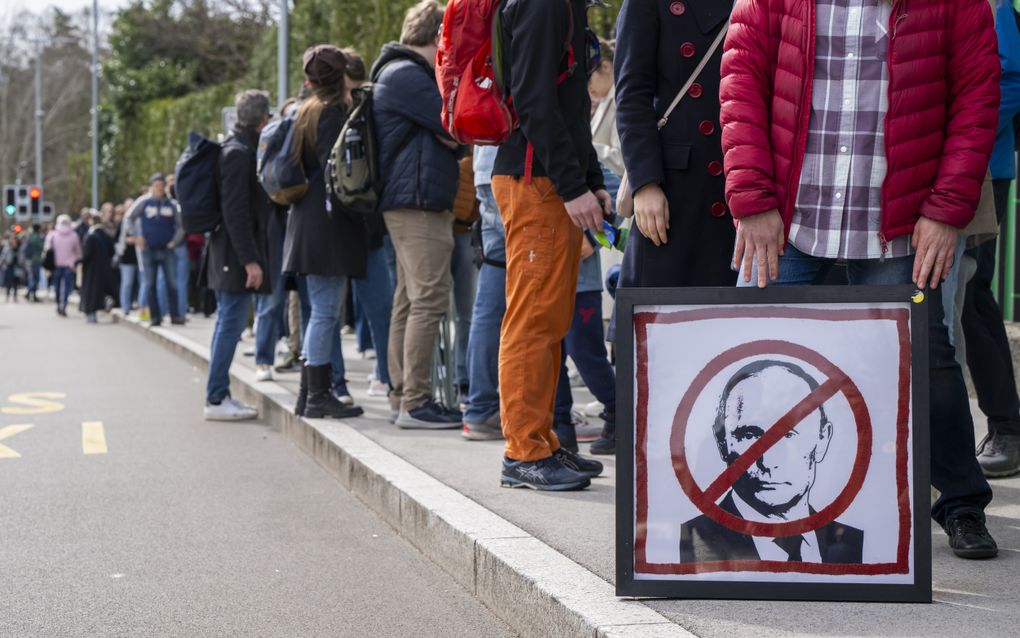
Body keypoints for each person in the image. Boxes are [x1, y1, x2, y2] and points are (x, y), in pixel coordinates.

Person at [721, 0, 999, 559]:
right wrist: (751, 199)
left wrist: (947, 211)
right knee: (759, 361)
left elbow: (976, 100)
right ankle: (734, 514)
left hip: (897, 225)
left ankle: (962, 502)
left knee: (929, 359)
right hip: (790, 221)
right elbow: (740, 84)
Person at [492, 0, 607, 490]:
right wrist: (573, 184)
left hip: (546, 179)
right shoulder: (543, 5)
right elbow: (534, 101)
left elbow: (568, 105)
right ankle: (524, 452)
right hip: (536, 181)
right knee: (533, 321)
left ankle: (542, 441)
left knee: (549, 319)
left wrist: (591, 177)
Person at [372, 1, 463, 428]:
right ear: (439, 36)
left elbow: (452, 136)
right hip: (419, 202)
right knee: (428, 300)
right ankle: (416, 401)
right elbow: (456, 126)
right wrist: (454, 135)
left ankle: (402, 394)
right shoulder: (408, 75)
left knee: (409, 301)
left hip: (412, 200)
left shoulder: (399, 73)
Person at [679, 360, 864, 564]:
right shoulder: (695, 544)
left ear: (822, 439)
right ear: (723, 442)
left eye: (789, 433)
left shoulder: (854, 547)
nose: (769, 461)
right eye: (749, 435)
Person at [614, 0, 737, 286]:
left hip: (737, 185)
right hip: (672, 191)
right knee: (662, 321)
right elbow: (632, 96)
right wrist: (645, 184)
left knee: (736, 323)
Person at [284, 44, 366, 420]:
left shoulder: (304, 111)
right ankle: (318, 395)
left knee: (321, 309)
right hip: (327, 223)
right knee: (325, 311)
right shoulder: (332, 115)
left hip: (306, 220)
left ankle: (307, 392)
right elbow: (343, 174)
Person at [970, 0, 1020, 478]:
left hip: (981, 171)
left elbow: (1010, 80)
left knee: (971, 299)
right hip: (922, 170)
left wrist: (965, 143)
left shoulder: (993, 3)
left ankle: (1008, 427)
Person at [204, 90, 275, 421]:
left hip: (228, 251)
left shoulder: (235, 148)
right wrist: (250, 259)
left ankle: (219, 394)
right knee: (230, 324)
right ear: (262, 120)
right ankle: (216, 397)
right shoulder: (238, 153)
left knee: (227, 324)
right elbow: (236, 212)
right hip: (234, 255)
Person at [344, 46, 395, 399]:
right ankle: (382, 373)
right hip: (369, 224)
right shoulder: (364, 109)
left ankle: (384, 372)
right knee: (380, 306)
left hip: (368, 225)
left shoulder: (363, 110)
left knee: (381, 306)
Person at [462, 145, 506, 441]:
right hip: (508, 167)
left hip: (489, 165)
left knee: (489, 303)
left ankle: (481, 406)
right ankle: (483, 406)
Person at [123, 173, 186, 327]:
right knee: (150, 284)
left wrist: (175, 241)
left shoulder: (171, 204)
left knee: (172, 283)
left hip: (167, 249)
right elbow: (128, 218)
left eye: (161, 185)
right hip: (148, 249)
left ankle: (175, 315)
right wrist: (137, 237)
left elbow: (182, 225)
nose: (159, 188)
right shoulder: (144, 203)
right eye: (156, 185)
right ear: (152, 186)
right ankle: (155, 317)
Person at [80, 206, 118, 323]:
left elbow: (86, 254)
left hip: (91, 270)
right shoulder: (105, 235)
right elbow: (112, 251)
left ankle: (91, 315)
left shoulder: (91, 236)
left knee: (91, 293)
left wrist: (78, 262)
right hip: (103, 269)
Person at [44, 214, 82, 316]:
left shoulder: (52, 235)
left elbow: (47, 250)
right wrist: (76, 262)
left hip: (56, 264)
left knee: (57, 286)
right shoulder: (74, 235)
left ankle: (58, 303)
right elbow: (78, 252)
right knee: (67, 287)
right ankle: (64, 303)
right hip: (70, 265)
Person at [19, 225, 43, 302]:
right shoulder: (38, 238)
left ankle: (29, 293)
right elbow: (41, 248)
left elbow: (23, 249)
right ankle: (32, 294)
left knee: (31, 277)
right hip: (36, 260)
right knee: (35, 278)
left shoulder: (29, 237)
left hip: (30, 260)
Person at [0, 235, 21, 302]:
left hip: (16, 267)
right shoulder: (7, 248)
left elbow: (22, 257)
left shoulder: (18, 248)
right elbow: (3, 256)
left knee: (16, 282)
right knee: (8, 282)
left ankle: (15, 296)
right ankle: (7, 296)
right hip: (9, 267)